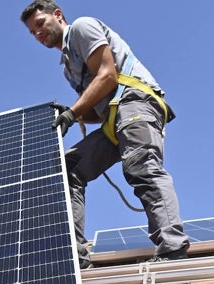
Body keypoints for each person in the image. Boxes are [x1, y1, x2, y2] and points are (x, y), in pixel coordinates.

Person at [20, 1, 189, 269]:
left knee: (141, 168)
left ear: (58, 15)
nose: (38, 33)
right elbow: (97, 107)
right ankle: (76, 257)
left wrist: (73, 113)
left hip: (135, 103)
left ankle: (172, 248)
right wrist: (74, 111)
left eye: (40, 24)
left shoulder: (82, 29)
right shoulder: (67, 65)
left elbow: (108, 76)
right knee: (69, 168)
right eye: (32, 32)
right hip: (112, 119)